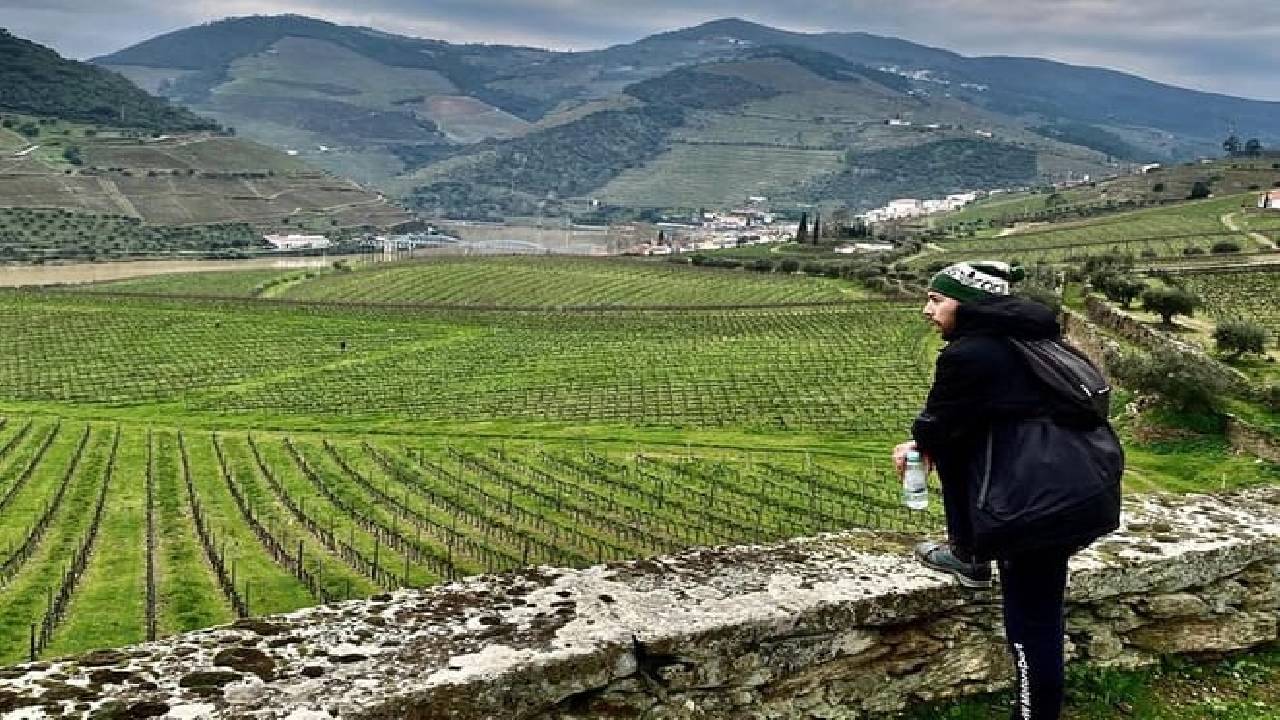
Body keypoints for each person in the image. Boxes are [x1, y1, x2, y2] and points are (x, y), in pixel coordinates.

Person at [892, 260, 1122, 720]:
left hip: (1031, 507)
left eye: (936, 300)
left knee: (1031, 625)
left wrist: (916, 445)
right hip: (1079, 489)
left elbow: (938, 424)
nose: (926, 310)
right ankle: (970, 555)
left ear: (969, 303)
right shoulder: (1037, 340)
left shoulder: (970, 354)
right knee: (1040, 611)